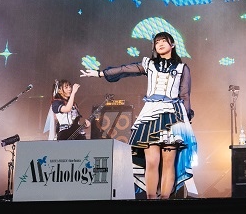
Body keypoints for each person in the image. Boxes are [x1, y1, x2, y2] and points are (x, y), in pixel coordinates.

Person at [80, 32, 194, 199]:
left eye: (164, 41)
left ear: (172, 44)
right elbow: (125, 69)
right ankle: (150, 200)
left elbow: (185, 95)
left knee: (169, 163)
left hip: (172, 117)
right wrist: (100, 73)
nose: (160, 44)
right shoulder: (149, 64)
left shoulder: (182, 68)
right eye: (157, 42)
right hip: (150, 116)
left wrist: (186, 119)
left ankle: (165, 201)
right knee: (151, 161)